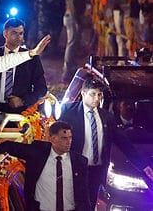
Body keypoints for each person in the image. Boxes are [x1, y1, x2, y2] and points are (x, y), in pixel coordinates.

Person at [59, 78, 153, 210]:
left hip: (96, 172)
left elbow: (123, 143)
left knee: (90, 205)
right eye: (93, 94)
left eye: (99, 95)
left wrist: (143, 165)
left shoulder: (107, 117)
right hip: (76, 170)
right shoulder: (68, 112)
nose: (96, 99)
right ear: (83, 93)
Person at [0, 121, 90, 211]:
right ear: (53, 139)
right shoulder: (37, 153)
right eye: (64, 138)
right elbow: (11, 147)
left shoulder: (79, 162)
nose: (69, 142)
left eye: (70, 137)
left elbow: (83, 194)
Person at [0, 18, 47, 113]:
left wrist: (23, 101)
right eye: (14, 33)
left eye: (21, 33)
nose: (18, 37)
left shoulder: (31, 58)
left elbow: (41, 89)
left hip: (20, 112)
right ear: (5, 34)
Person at [62, 0, 86, 83]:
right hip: (72, 16)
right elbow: (72, 2)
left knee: (73, 43)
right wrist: (77, 19)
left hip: (72, 15)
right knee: (72, 43)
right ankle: (67, 71)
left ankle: (69, 69)